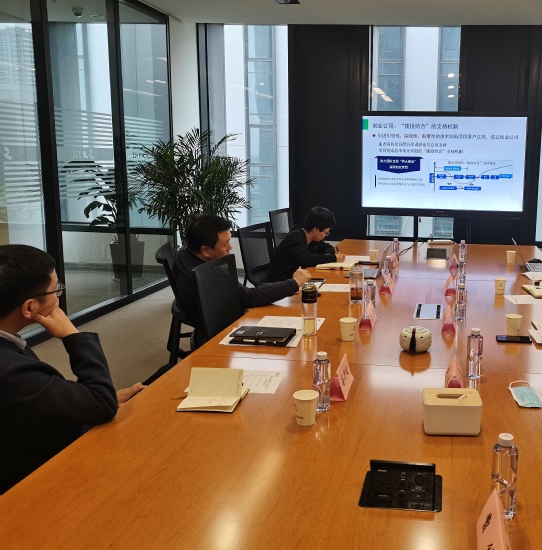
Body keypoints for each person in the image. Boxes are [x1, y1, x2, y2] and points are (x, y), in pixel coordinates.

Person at [0, 245, 144, 494]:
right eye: (55, 289)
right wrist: (72, 336)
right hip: (35, 482)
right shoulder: (10, 370)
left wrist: (86, 399)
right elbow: (102, 405)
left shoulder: (9, 348)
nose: (58, 297)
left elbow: (31, 400)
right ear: (29, 308)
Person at [173, 215, 310, 342]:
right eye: (225, 244)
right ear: (206, 250)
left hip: (217, 317)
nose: (230, 247)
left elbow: (244, 295)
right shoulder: (206, 277)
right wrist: (294, 282)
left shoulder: (185, 254)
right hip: (223, 334)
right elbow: (251, 297)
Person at [267, 206, 345, 283]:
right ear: (315, 229)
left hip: (296, 278)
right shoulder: (295, 238)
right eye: (326, 233)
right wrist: (333, 258)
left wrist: (327, 255)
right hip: (280, 282)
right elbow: (306, 260)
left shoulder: (313, 237)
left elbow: (328, 247)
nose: (326, 235)